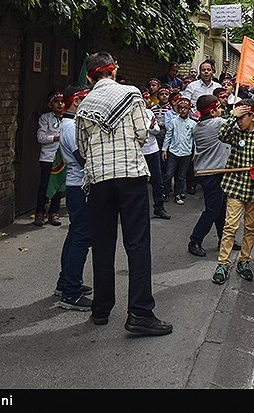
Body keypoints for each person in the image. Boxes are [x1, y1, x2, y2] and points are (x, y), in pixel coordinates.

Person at [75, 51, 172, 335]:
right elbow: (142, 133)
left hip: (99, 179)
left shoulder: (84, 104)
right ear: (114, 70)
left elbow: (82, 147)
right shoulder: (131, 94)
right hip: (130, 174)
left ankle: (101, 308)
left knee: (103, 244)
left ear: (90, 76)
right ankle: (140, 313)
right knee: (137, 244)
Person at [212, 99, 254, 285]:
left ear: (253, 117)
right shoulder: (234, 132)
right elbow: (221, 135)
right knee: (230, 226)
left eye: (241, 118)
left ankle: (244, 261)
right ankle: (223, 263)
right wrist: (233, 116)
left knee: (250, 228)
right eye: (237, 118)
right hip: (235, 186)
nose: (239, 121)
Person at [54, 84, 94, 312]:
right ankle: (71, 293)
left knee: (75, 234)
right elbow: (84, 159)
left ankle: (66, 282)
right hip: (80, 187)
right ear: (77, 102)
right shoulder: (71, 127)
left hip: (77, 186)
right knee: (81, 237)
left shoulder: (72, 124)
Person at [188, 95, 232, 257]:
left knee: (221, 208)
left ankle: (224, 239)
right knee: (213, 210)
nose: (221, 110)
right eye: (218, 107)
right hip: (211, 173)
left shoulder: (198, 126)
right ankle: (195, 240)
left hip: (211, 171)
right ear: (212, 112)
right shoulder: (217, 123)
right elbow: (235, 123)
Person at [34, 89, 65, 227]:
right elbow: (41, 137)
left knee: (58, 186)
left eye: (62, 101)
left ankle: (54, 212)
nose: (60, 104)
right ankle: (40, 212)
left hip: (62, 158)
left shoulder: (68, 118)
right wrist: (57, 137)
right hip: (48, 157)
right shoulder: (45, 118)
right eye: (56, 102)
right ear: (50, 104)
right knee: (45, 185)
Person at [162, 98, 196, 206]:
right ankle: (165, 192)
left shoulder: (192, 124)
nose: (183, 110)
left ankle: (178, 193)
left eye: (185, 108)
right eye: (181, 108)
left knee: (182, 176)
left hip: (186, 152)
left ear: (189, 109)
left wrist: (195, 153)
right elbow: (168, 136)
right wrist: (164, 149)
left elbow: (194, 139)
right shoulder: (174, 122)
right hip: (173, 151)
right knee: (169, 174)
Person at [142, 94, 170, 220]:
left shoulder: (149, 113)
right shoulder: (130, 114)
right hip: (139, 152)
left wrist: (151, 127)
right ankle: (141, 211)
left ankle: (159, 208)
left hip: (152, 151)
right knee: (140, 184)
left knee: (157, 182)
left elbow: (157, 131)